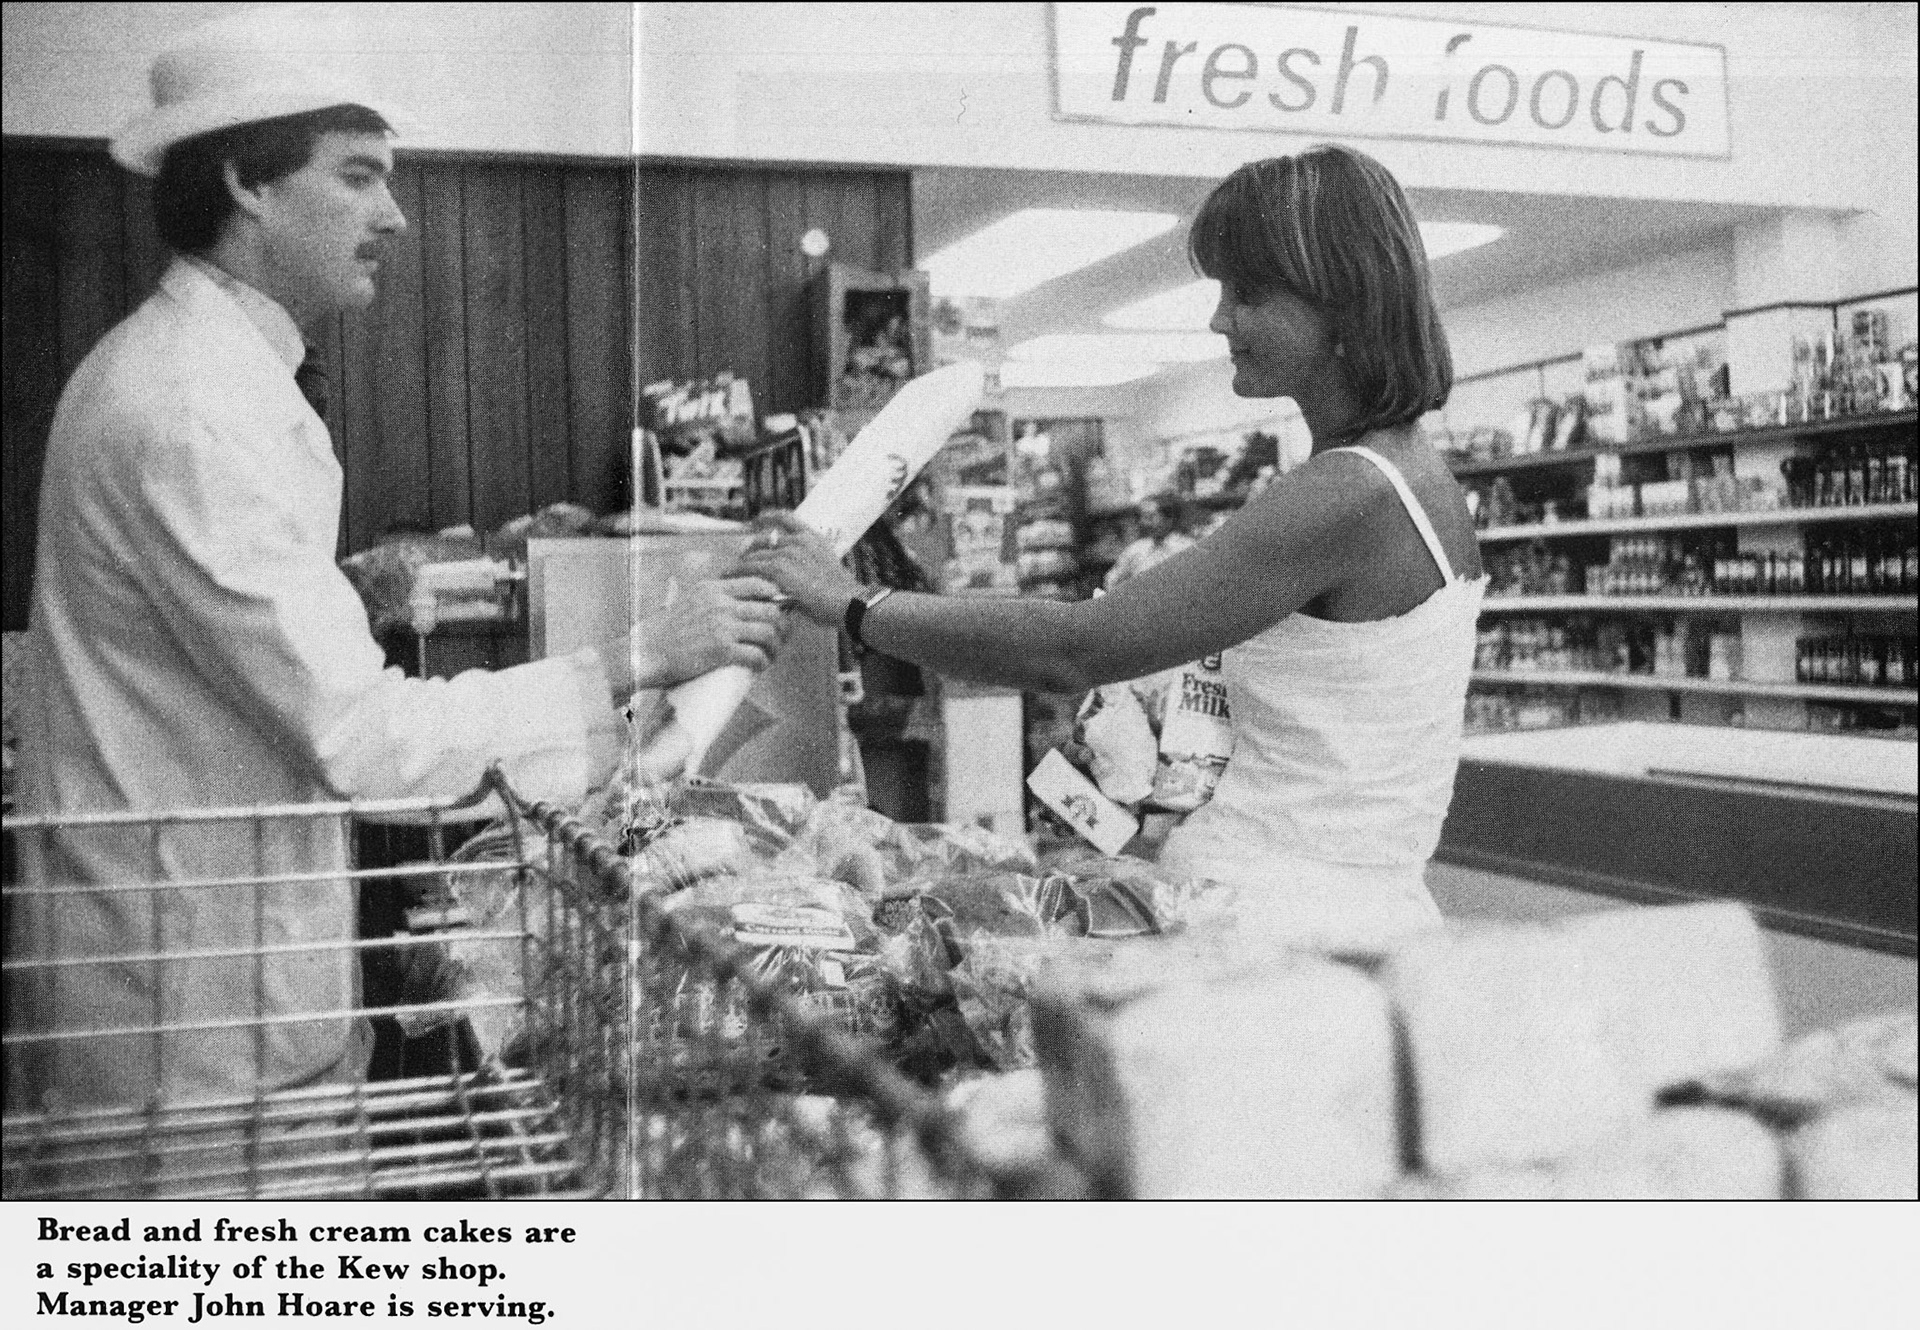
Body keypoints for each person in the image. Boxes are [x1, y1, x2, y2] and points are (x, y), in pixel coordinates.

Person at [10, 10, 786, 1114]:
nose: (398, 215)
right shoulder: (190, 405)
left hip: (223, 983)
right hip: (189, 1034)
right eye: (361, 177)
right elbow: (362, 738)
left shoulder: (213, 377)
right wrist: (639, 654)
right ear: (247, 182)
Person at [745, 144, 1485, 951]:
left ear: (1341, 305)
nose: (1219, 321)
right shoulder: (1413, 476)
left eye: (1249, 295)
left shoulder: (1350, 491)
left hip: (1275, 931)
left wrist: (853, 602)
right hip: (1335, 911)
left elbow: (1078, 647)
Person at [1104, 492, 1196, 589]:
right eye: (1142, 517)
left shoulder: (1187, 548)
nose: (1144, 523)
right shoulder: (1135, 549)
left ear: (1169, 519)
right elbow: (1111, 581)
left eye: (1150, 517)